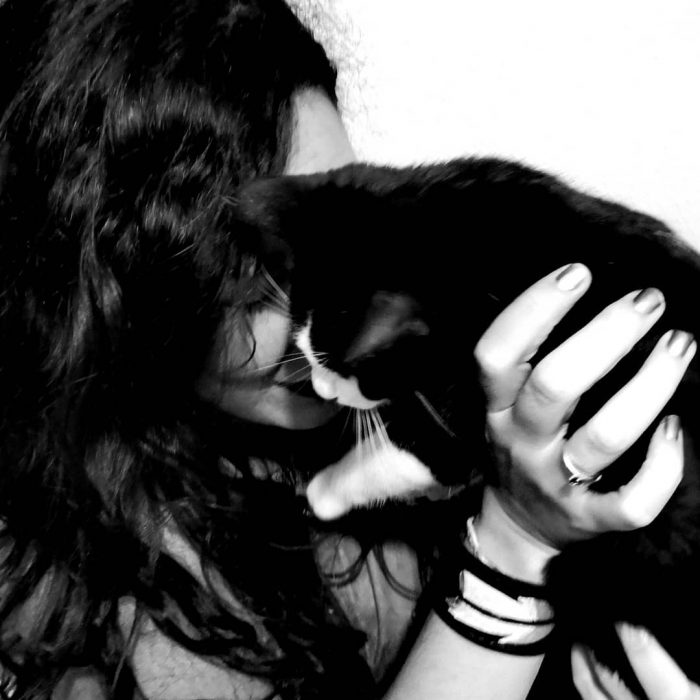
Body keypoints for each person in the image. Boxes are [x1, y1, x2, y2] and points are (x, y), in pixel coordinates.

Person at [0, 0, 693, 698]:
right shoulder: (73, 605)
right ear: (117, 296)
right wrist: (513, 553)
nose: (340, 310)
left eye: (342, 232)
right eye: (251, 282)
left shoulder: (396, 386)